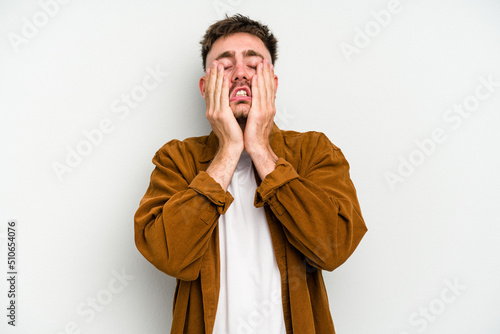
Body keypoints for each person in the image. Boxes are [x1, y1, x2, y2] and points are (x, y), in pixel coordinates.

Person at [134, 14, 367, 334]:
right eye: (225, 66)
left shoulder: (314, 151)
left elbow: (333, 247)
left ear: (272, 83)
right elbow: (168, 254)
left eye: (254, 64)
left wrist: (259, 147)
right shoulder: (177, 159)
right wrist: (229, 148)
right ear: (205, 87)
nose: (240, 73)